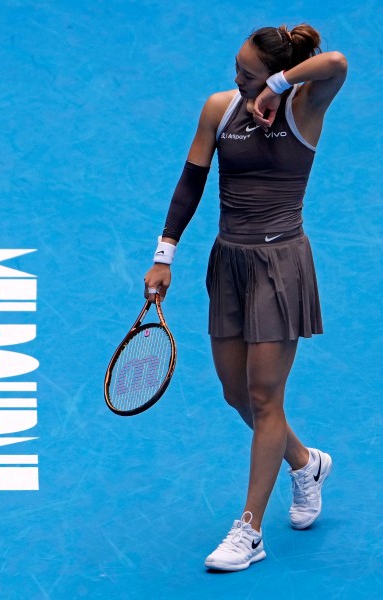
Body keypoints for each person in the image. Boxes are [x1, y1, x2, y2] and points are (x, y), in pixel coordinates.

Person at [144, 24, 347, 572]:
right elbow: (190, 182)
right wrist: (164, 256)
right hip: (229, 262)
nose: (238, 80)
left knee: (264, 398)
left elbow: (338, 63)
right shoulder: (219, 107)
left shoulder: (304, 108)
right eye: (237, 69)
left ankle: (249, 530)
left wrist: (278, 87)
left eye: (249, 74)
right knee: (237, 394)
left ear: (277, 75)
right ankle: (306, 463)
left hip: (281, 265)